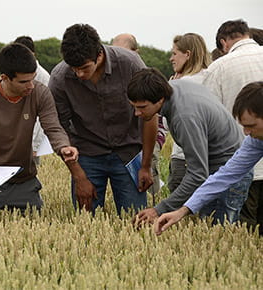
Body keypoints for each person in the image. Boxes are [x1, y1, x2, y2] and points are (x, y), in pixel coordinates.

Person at [49, 24, 158, 215]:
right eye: (74, 69)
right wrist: (78, 176)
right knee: (85, 220)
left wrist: (146, 165)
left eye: (84, 68)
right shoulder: (60, 78)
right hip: (87, 154)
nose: (79, 75)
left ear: (99, 55)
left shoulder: (130, 64)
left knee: (136, 217)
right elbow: (58, 128)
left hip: (127, 152)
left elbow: (149, 115)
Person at [0, 43, 78, 213]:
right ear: (5, 78)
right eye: (24, 81)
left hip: (23, 181)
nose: (31, 86)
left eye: (33, 78)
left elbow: (53, 127)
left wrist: (63, 146)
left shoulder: (40, 93)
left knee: (35, 220)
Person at [128, 68, 253, 226]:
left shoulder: (184, 117)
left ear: (160, 99)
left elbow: (198, 174)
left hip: (228, 174)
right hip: (221, 169)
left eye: (142, 107)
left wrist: (158, 209)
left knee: (216, 231)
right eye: (134, 106)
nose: (136, 113)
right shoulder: (174, 88)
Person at [154, 81, 263, 235]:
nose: (245, 133)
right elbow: (225, 175)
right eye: (243, 126)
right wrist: (183, 210)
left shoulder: (184, 115)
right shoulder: (255, 141)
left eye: (251, 126)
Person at [202, 19, 263, 234]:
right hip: (244, 158)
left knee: (246, 229)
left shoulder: (219, 66)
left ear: (223, 43)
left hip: (244, 168)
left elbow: (208, 120)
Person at [112, 32, 167, 204]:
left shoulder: (147, 78)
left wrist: (154, 146)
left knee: (148, 189)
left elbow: (156, 119)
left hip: (144, 145)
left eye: (124, 52)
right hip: (122, 147)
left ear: (136, 52)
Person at [168, 33, 211, 193]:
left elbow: (168, 122)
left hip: (183, 157)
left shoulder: (180, 84)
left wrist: (171, 85)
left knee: (178, 210)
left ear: (187, 54)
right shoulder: (212, 77)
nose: (171, 59)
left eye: (174, 53)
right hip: (210, 157)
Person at [14, 36, 50, 165]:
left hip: (32, 138)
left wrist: (35, 145)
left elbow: (43, 114)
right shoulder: (12, 73)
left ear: (32, 54)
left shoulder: (43, 77)